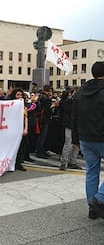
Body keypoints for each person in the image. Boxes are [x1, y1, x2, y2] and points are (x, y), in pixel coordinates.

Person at [72, 61, 104, 220]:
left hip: (85, 138)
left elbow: (74, 116)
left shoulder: (81, 91)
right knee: (92, 172)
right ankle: (100, 200)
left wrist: (75, 139)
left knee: (91, 172)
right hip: (102, 137)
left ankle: (92, 207)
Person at [59, 86, 81, 170]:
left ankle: (72, 161)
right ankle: (64, 162)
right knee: (68, 143)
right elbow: (68, 111)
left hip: (77, 125)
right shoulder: (69, 101)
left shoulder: (80, 101)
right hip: (69, 124)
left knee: (76, 144)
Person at [8, 88, 28, 171]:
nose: (20, 97)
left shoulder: (24, 107)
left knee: (22, 146)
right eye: (18, 95)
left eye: (21, 95)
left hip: (21, 128)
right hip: (13, 129)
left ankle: (18, 163)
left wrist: (26, 129)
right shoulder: (10, 105)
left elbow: (26, 118)